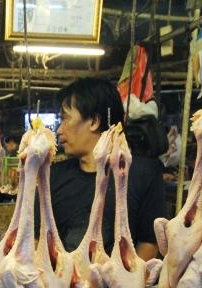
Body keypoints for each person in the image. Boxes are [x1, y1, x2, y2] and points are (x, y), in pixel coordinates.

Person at [38, 77, 166, 260]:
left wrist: (123, 284)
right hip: (63, 285)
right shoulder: (52, 176)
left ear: (94, 121)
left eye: (65, 119)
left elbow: (149, 242)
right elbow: (39, 238)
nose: (59, 130)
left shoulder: (143, 174)